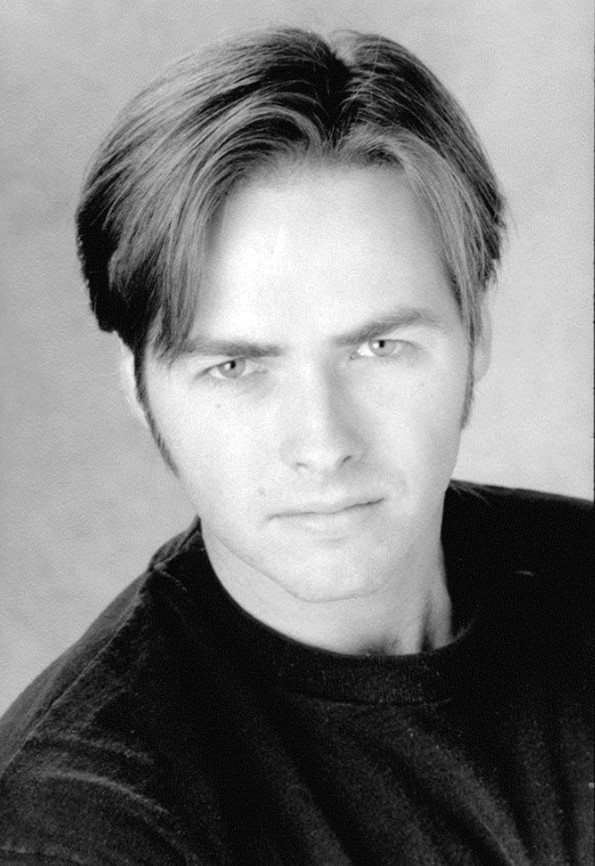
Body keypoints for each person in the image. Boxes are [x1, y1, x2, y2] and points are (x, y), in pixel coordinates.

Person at [0, 27, 591, 865]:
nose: (322, 443)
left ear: (475, 339)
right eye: (236, 366)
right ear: (139, 388)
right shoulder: (79, 822)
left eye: (377, 348)